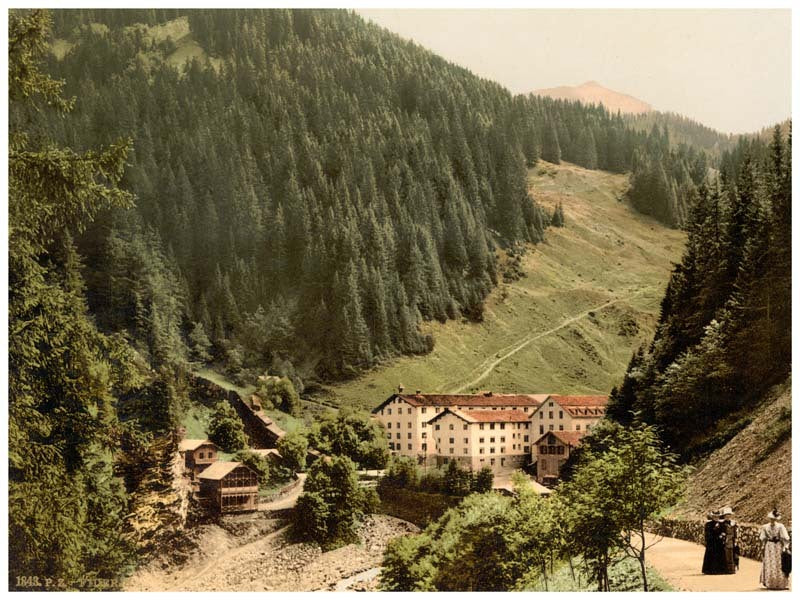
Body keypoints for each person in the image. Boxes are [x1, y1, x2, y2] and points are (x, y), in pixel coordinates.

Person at [759, 508, 791, 590]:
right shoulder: (765, 527)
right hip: (769, 546)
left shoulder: (780, 526)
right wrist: (763, 545)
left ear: (776, 519)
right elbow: (763, 537)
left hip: (778, 546)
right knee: (770, 562)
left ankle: (780, 583)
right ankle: (770, 582)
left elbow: (786, 537)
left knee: (779, 563)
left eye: (774, 519)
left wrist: (785, 546)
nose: (772, 520)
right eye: (771, 519)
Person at [719, 506, 739, 574]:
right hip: (725, 540)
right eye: (726, 515)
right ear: (724, 516)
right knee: (725, 555)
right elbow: (720, 532)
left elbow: (736, 532)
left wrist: (736, 539)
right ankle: (725, 569)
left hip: (732, 540)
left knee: (733, 554)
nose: (727, 517)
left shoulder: (733, 523)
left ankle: (732, 569)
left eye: (729, 515)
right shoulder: (721, 524)